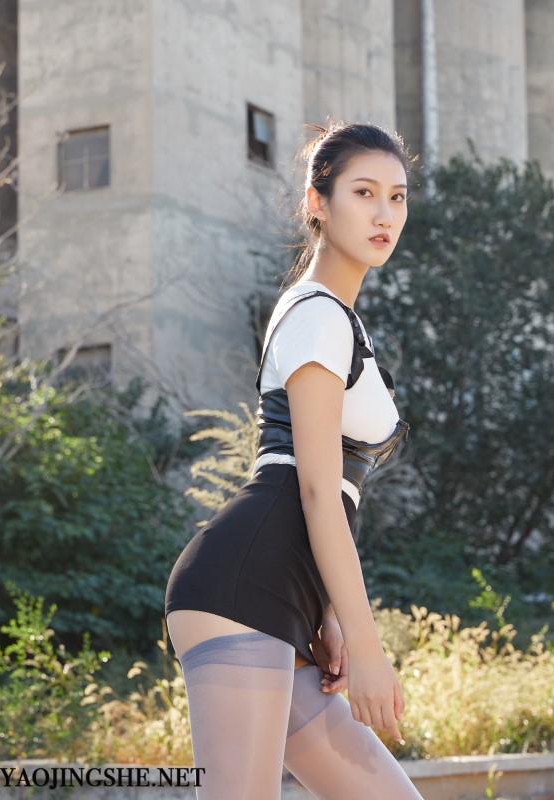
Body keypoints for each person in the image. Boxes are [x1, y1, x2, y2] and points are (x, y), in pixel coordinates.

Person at [164, 121, 426, 799]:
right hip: (241, 590)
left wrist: (327, 613)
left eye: (397, 196)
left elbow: (331, 493)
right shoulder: (316, 315)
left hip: (286, 602)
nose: (384, 213)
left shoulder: (337, 317)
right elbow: (313, 490)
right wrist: (367, 649)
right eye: (363, 192)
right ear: (318, 202)